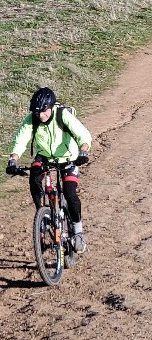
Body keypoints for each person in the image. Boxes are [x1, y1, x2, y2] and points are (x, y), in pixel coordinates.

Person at [6, 87, 92, 253]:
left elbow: (82, 134)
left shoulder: (62, 115)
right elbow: (21, 138)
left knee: (69, 192)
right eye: (37, 112)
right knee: (34, 175)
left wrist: (83, 150)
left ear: (51, 107)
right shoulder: (32, 119)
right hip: (45, 156)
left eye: (44, 111)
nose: (41, 116)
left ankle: (78, 231)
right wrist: (13, 159)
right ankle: (42, 214)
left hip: (69, 157)